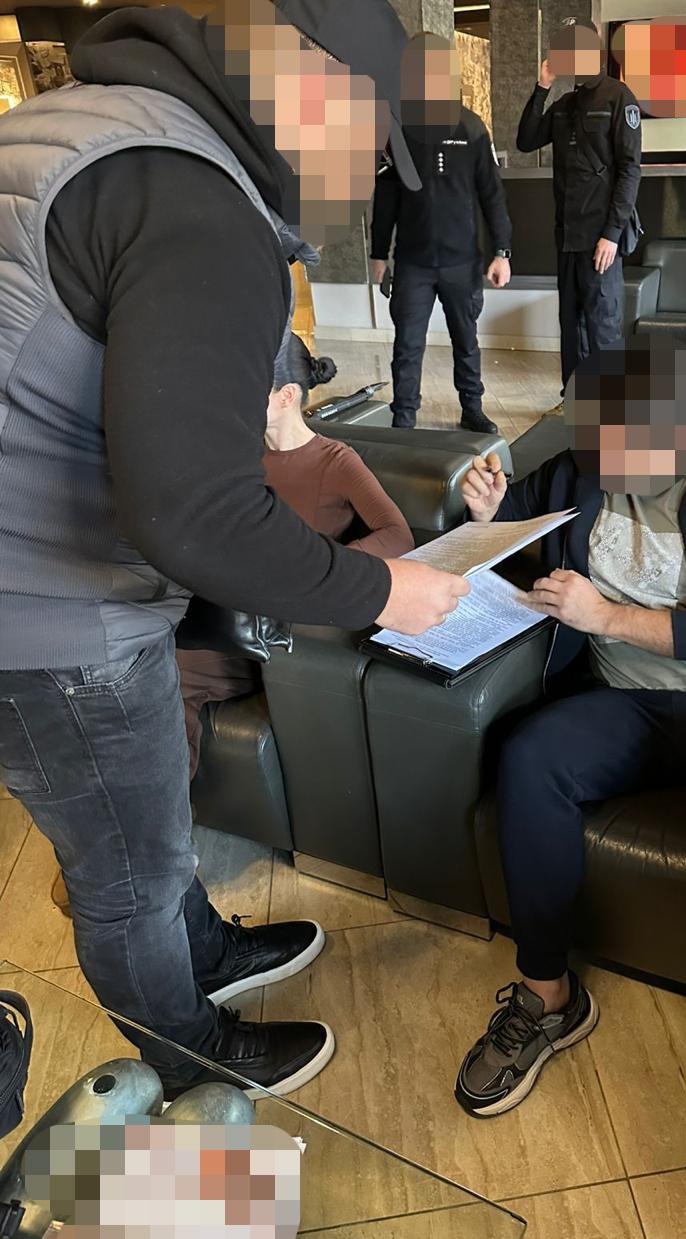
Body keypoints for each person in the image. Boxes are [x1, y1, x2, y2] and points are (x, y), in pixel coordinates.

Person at [0, 0, 469, 1100]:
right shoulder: (201, 204)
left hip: (35, 579)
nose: (362, 182)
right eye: (369, 146)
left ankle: (204, 949)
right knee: (128, 870)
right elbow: (192, 511)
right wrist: (381, 591)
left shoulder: (77, 125)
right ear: (312, 88)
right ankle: (187, 1051)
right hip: (51, 614)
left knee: (150, 832)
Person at [453, 336, 686, 1231]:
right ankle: (548, 997)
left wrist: (607, 614)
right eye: (595, 441)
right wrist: (491, 512)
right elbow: (521, 538)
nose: (602, 462)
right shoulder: (580, 464)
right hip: (619, 700)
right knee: (529, 759)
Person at [177, 333, 415, 780]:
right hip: (217, 607)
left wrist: (320, 568)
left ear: (287, 396)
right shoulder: (239, 452)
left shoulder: (335, 461)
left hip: (265, 630)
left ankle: (162, 815)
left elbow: (397, 535)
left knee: (170, 678)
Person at [370, 32, 513, 434]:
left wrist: (502, 251)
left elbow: (492, 194)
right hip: (413, 263)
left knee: (466, 341)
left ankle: (472, 408)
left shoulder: (472, 127)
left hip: (461, 262)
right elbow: (386, 197)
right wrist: (378, 253)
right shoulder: (397, 129)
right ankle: (404, 417)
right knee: (407, 345)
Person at [517, 18, 642, 395]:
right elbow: (525, 140)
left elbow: (630, 170)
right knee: (571, 326)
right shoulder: (563, 106)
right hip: (567, 235)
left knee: (602, 325)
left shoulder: (619, 97)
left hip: (600, 238)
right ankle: (573, 399)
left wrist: (612, 235)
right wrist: (542, 86)